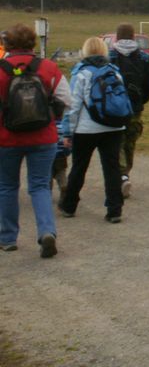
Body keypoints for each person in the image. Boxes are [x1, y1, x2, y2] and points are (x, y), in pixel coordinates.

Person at [0, 23, 71, 257]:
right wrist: (51, 114)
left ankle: (8, 238)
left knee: (7, 186)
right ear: (32, 43)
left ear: (7, 44)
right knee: (40, 186)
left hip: (6, 139)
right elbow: (67, 99)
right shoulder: (48, 67)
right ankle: (46, 232)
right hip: (43, 136)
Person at [59, 37, 127, 223]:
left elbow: (72, 107)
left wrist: (67, 132)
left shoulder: (81, 73)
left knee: (79, 167)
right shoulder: (114, 72)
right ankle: (115, 210)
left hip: (86, 129)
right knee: (112, 168)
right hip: (113, 127)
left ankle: (69, 205)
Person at [108, 23, 149, 198]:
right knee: (130, 141)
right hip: (135, 107)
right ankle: (125, 172)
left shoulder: (109, 56)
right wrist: (141, 101)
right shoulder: (144, 58)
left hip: (114, 108)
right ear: (133, 36)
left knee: (116, 141)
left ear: (117, 37)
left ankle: (122, 176)